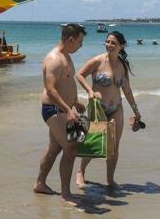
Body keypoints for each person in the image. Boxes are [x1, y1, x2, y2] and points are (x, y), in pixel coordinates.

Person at [74, 31, 140, 189]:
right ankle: (81, 172)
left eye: (113, 43)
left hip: (116, 108)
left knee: (114, 147)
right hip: (99, 108)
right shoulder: (98, 61)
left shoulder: (122, 65)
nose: (109, 45)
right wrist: (90, 91)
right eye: (107, 42)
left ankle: (110, 180)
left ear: (121, 46)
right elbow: (80, 74)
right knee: (93, 143)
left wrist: (136, 111)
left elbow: (128, 90)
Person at [33, 23, 87, 205]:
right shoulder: (54, 58)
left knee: (55, 149)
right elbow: (51, 90)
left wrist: (75, 102)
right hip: (54, 110)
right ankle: (66, 194)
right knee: (71, 149)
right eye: (80, 42)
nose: (81, 46)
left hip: (64, 108)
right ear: (70, 39)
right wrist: (68, 109)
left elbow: (66, 85)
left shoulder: (67, 57)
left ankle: (40, 183)